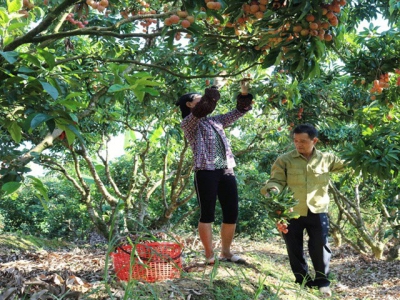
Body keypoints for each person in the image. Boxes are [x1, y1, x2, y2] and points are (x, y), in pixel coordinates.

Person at [260, 124, 345, 297]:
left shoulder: (327, 159)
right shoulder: (284, 160)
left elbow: (348, 163)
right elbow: (275, 180)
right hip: (292, 210)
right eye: (296, 141)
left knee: (320, 246)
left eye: (303, 141)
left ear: (314, 141)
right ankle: (303, 282)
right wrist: (273, 190)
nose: (298, 144)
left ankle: (323, 282)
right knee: (294, 247)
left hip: (318, 209)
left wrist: (368, 155)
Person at [176, 80, 253, 264]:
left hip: (225, 169)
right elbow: (204, 107)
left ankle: (225, 252)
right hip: (205, 171)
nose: (203, 99)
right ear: (189, 104)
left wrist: (243, 92)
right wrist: (216, 86)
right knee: (207, 213)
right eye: (198, 98)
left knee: (231, 212)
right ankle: (209, 255)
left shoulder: (215, 121)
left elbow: (239, 112)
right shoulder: (189, 122)